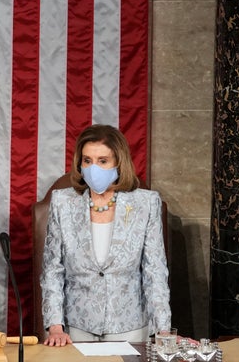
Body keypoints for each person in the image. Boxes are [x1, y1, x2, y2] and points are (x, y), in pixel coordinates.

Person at [41, 124, 171, 346]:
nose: (94, 168)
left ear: (119, 163)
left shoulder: (145, 204)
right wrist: (55, 327)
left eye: (103, 161)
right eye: (87, 161)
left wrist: (163, 331)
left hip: (129, 329)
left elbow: (154, 272)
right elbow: (52, 270)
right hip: (75, 331)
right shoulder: (63, 203)